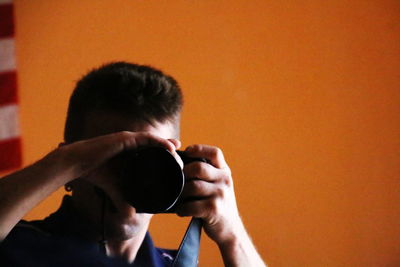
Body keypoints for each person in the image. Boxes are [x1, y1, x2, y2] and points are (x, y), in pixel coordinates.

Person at [0, 62, 265, 266]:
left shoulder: (175, 263)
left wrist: (232, 234)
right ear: (68, 169)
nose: (130, 176)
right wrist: (66, 162)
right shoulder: (16, 246)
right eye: (110, 159)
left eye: (150, 161)